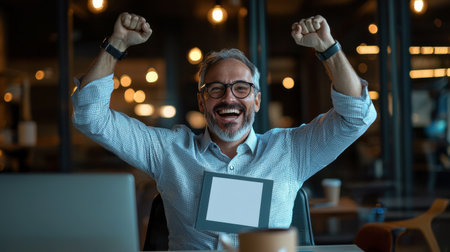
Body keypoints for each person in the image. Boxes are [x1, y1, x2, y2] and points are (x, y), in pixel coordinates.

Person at [72, 12, 376, 250]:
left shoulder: (292, 150)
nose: (229, 97)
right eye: (216, 89)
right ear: (202, 101)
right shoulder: (168, 151)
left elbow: (356, 117)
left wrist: (327, 48)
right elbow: (91, 116)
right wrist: (116, 46)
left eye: (241, 89)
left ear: (257, 101)